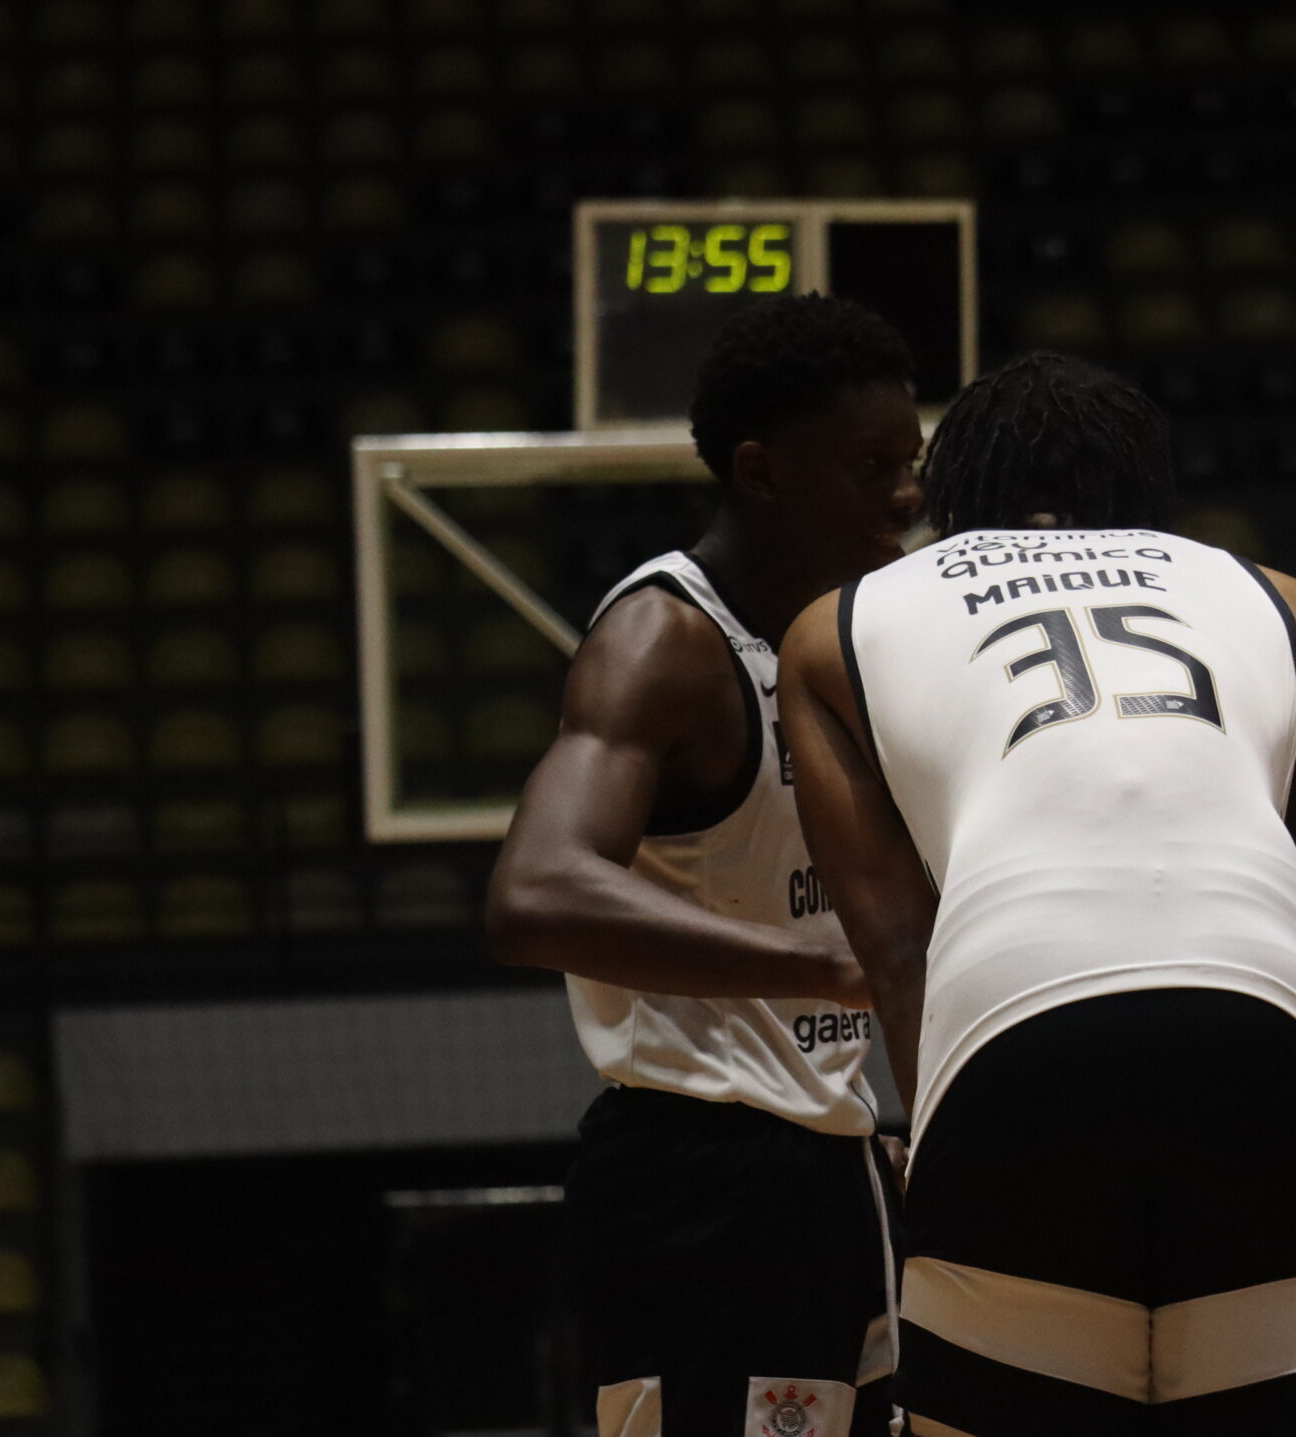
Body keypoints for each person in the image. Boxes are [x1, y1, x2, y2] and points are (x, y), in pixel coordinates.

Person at [774, 353, 1296, 1437]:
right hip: (1265, 1044)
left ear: (950, 491)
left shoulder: (835, 625)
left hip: (1014, 1049)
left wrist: (944, 1147)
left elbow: (894, 939)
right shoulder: (1285, 605)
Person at [485, 294, 925, 1437]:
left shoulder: (859, 639)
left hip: (836, 1160)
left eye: (912, 461)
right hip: (702, 1173)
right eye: (872, 466)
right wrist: (809, 963)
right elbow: (534, 894)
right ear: (762, 473)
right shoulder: (664, 642)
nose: (907, 494)